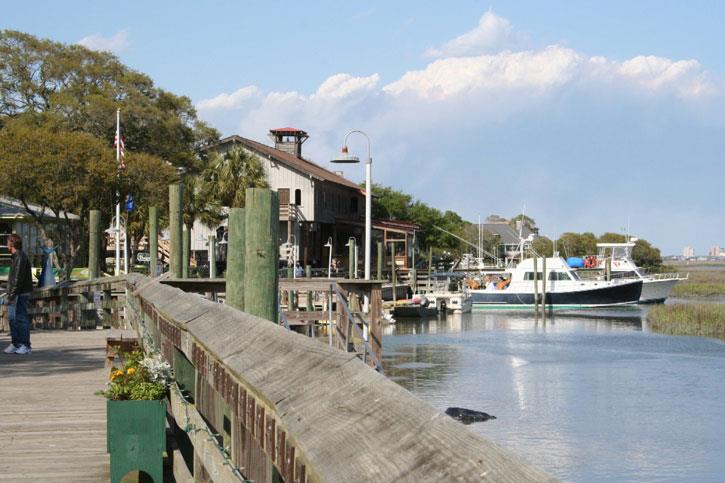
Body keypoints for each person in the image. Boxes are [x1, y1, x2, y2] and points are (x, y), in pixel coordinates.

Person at [4, 234, 34, 355]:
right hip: (14, 292)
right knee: (12, 318)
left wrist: (12, 294)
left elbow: (18, 278)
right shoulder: (15, 257)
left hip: (20, 293)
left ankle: (25, 345)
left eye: (7, 242)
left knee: (21, 318)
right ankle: (15, 343)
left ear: (12, 243)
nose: (6, 245)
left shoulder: (20, 257)